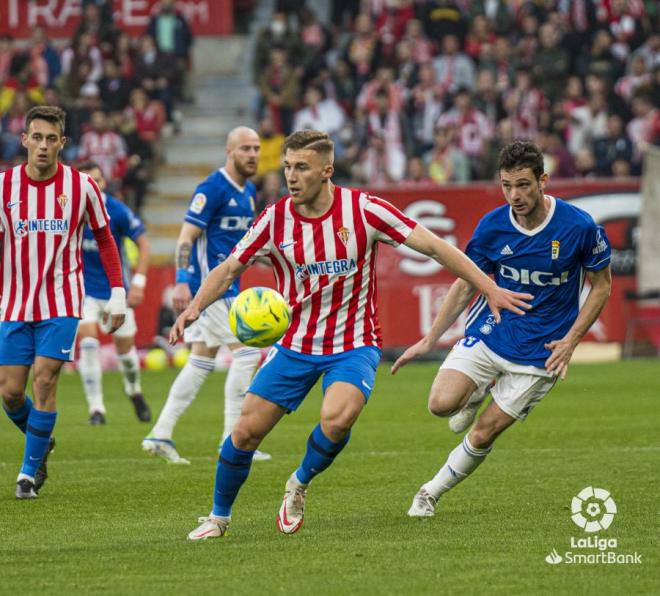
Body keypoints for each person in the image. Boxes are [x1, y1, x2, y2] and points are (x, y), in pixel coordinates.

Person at [169, 130, 533, 540]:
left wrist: (489, 287)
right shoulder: (274, 218)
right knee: (246, 432)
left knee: (338, 418)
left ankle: (299, 483)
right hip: (295, 344)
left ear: (327, 170)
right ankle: (218, 518)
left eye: (301, 167)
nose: (291, 176)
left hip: (352, 343)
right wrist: (196, 306)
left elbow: (434, 247)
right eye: (287, 166)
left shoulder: (364, 210)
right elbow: (229, 267)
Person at [391, 140, 612, 517]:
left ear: (543, 181)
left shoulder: (578, 227)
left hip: (542, 351)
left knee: (483, 431)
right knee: (440, 405)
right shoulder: (493, 227)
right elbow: (465, 284)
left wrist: (572, 341)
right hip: (493, 331)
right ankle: (476, 391)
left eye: (523, 184)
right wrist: (429, 339)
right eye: (507, 185)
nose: (514, 195)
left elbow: (602, 284)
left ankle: (429, 493)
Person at [0, 106, 126, 499]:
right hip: (14, 303)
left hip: (61, 300)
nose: (42, 146)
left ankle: (27, 474)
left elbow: (105, 239)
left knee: (45, 379)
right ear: (24, 140)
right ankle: (41, 441)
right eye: (36, 137)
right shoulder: (3, 187)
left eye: (50, 139)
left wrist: (118, 292)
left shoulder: (82, 187)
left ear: (63, 143)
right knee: (9, 391)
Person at [142, 126, 270, 464]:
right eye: (245, 149)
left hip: (230, 287)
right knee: (247, 355)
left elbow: (241, 243)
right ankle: (232, 440)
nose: (253, 154)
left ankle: (160, 433)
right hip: (210, 289)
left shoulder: (249, 191)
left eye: (256, 148)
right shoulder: (212, 188)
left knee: (200, 361)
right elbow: (186, 237)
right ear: (229, 152)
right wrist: (182, 280)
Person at [77, 160, 151, 425]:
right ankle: (96, 408)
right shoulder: (70, 210)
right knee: (88, 344)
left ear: (104, 183)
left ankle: (134, 390)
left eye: (97, 180)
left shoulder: (116, 211)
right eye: (88, 181)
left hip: (115, 290)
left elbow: (142, 243)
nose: (93, 186)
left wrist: (139, 283)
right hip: (83, 291)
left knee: (127, 356)